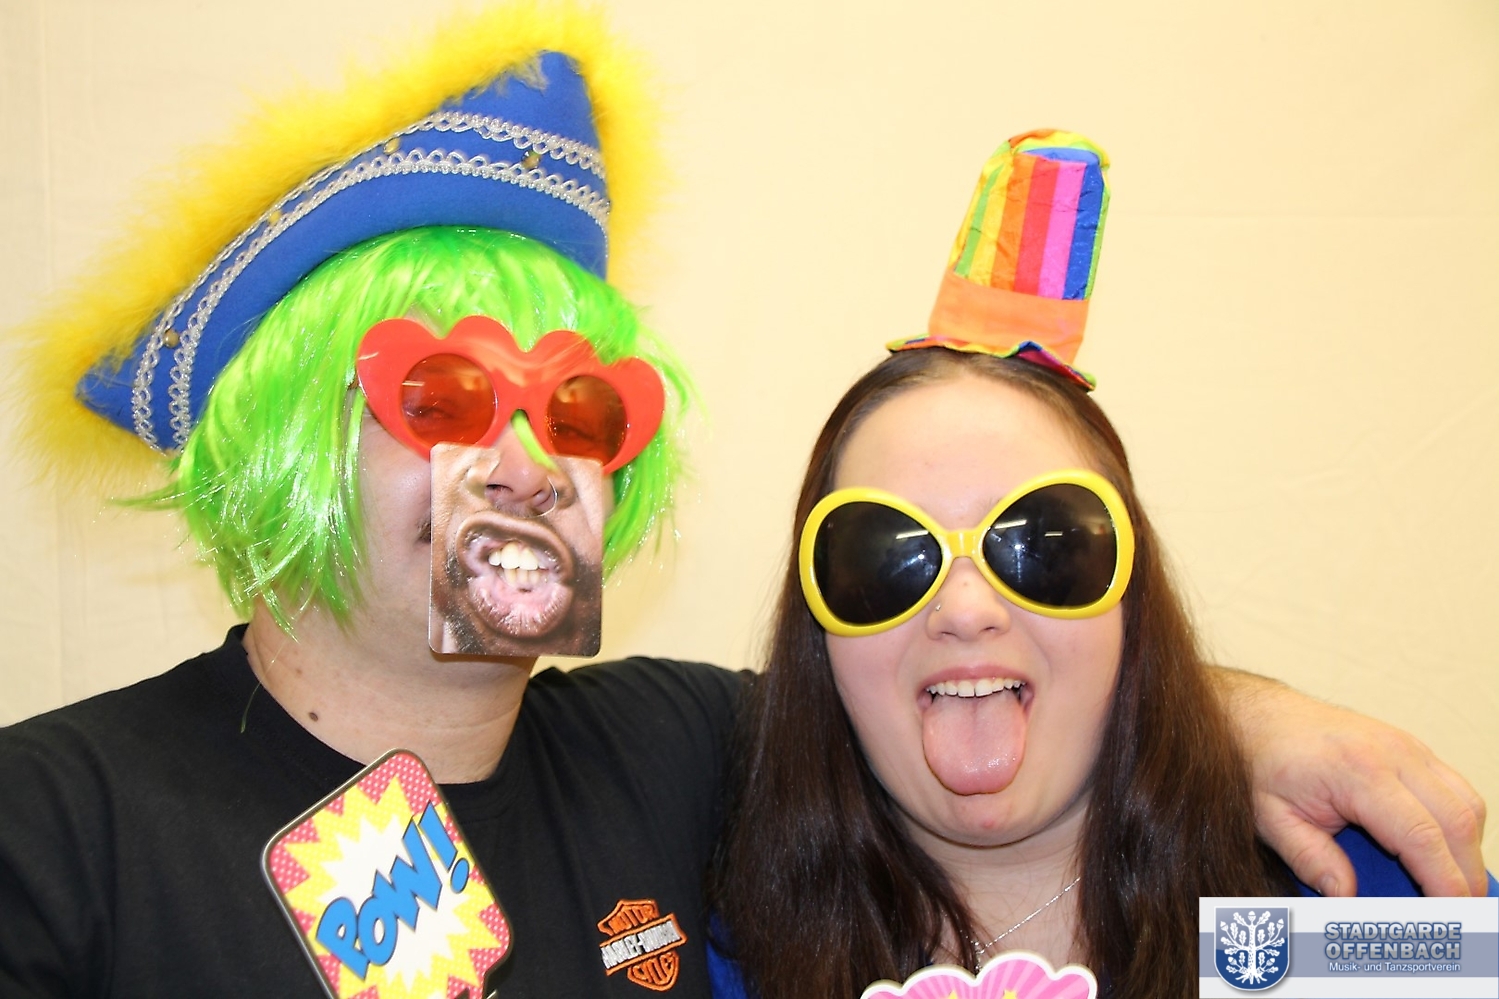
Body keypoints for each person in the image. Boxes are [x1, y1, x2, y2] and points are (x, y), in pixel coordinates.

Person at [0, 20, 1485, 999]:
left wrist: (1243, 718)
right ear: (270, 447)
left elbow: (953, 681)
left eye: (581, 410)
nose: (525, 462)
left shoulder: (678, 756)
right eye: (442, 396)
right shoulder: (54, 825)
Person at [707, 132, 1496, 999]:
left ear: (1130, 596)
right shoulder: (723, 956)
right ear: (818, 629)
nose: (964, 608)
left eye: (1043, 543)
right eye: (886, 555)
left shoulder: (1330, 905)